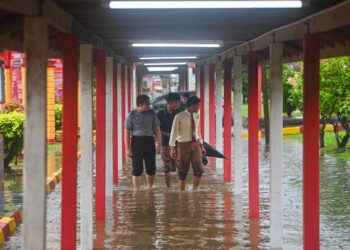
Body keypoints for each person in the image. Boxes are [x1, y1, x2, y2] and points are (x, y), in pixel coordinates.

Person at [125, 95, 162, 191]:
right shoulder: (131, 114)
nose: (149, 105)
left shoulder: (152, 113)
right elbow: (127, 132)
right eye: (147, 104)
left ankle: (150, 187)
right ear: (140, 104)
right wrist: (128, 149)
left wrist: (159, 144)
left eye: (149, 103)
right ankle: (136, 189)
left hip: (149, 141)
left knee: (151, 166)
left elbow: (157, 129)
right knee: (137, 167)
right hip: (136, 141)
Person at [169, 95, 205, 191]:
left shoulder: (197, 116)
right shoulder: (179, 116)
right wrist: (172, 148)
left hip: (195, 144)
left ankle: (195, 190)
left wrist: (202, 145)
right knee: (182, 171)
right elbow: (174, 132)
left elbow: (198, 131)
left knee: (199, 170)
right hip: (182, 146)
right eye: (198, 105)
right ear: (192, 105)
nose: (199, 107)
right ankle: (182, 192)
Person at [157, 92, 181, 188]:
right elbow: (157, 129)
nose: (177, 105)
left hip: (179, 144)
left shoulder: (180, 113)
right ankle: (168, 187)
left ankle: (180, 186)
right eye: (175, 102)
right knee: (166, 166)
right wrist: (169, 134)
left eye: (178, 102)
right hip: (166, 143)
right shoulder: (160, 114)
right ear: (169, 103)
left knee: (180, 165)